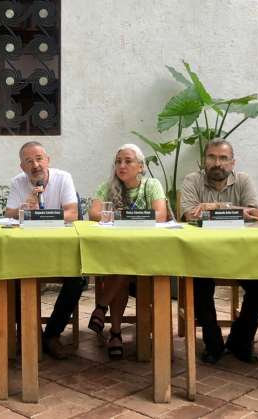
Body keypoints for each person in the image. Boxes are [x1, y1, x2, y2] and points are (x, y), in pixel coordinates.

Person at [181, 138, 258, 364]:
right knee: (198, 283)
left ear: (232, 162)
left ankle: (240, 340)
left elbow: (256, 214)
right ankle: (212, 343)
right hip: (202, 255)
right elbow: (189, 215)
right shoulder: (192, 180)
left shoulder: (243, 180)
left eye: (223, 158)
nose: (217, 163)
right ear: (204, 160)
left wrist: (216, 207)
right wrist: (238, 212)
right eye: (212, 157)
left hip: (242, 256)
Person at [87, 144, 167, 359]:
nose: (122, 165)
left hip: (148, 255)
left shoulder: (151, 185)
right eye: (118, 161)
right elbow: (93, 213)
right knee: (120, 264)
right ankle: (114, 332)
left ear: (140, 166)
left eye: (128, 161)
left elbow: (160, 214)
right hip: (116, 253)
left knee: (121, 265)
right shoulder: (108, 187)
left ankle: (103, 312)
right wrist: (128, 218)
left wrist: (118, 217)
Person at [5, 141, 81, 359]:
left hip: (60, 248)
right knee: (13, 276)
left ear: (48, 160)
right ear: (22, 167)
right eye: (29, 161)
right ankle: (30, 333)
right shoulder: (18, 182)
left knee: (78, 279)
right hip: (27, 250)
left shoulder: (63, 177)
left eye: (39, 159)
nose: (35, 164)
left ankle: (52, 334)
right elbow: (8, 214)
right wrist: (23, 209)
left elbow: (72, 213)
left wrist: (40, 217)